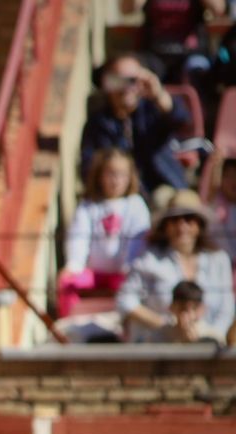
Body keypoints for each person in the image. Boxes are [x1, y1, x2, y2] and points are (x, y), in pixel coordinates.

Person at [117, 189, 235, 340]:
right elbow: (125, 301)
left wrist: (205, 335)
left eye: (189, 219)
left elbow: (226, 310)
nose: (182, 226)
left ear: (199, 224)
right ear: (165, 226)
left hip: (210, 349)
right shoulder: (149, 259)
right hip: (160, 348)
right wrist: (166, 326)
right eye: (175, 220)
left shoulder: (219, 260)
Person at [58, 147, 151, 317]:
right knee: (67, 282)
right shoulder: (88, 205)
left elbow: (137, 241)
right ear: (100, 176)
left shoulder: (136, 205)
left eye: (121, 175)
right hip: (93, 274)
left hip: (122, 274)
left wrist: (128, 268)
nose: (115, 181)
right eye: (110, 174)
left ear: (130, 177)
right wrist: (74, 265)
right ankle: (68, 325)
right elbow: (79, 237)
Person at [79, 54, 190, 193]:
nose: (126, 87)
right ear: (107, 83)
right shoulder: (98, 123)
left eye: (132, 80)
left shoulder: (153, 109)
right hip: (119, 197)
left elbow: (182, 122)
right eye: (118, 80)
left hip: (163, 187)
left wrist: (158, 94)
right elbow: (88, 168)